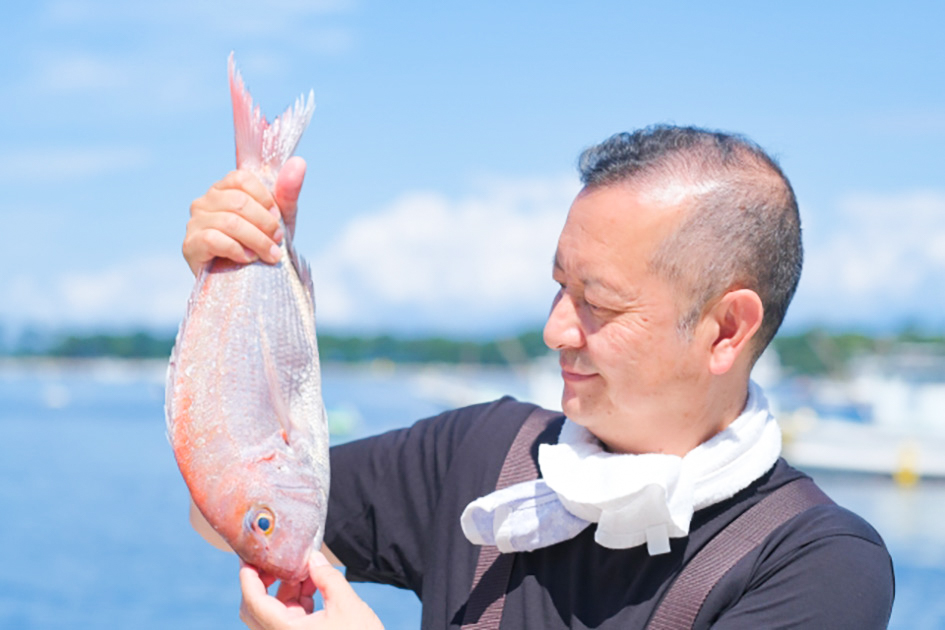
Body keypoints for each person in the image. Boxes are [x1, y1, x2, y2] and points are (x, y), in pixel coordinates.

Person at [183, 125, 895, 629]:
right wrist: (233, 283)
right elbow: (230, 519)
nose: (557, 329)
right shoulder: (480, 455)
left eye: (598, 303)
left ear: (726, 330)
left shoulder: (816, 564)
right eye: (559, 288)